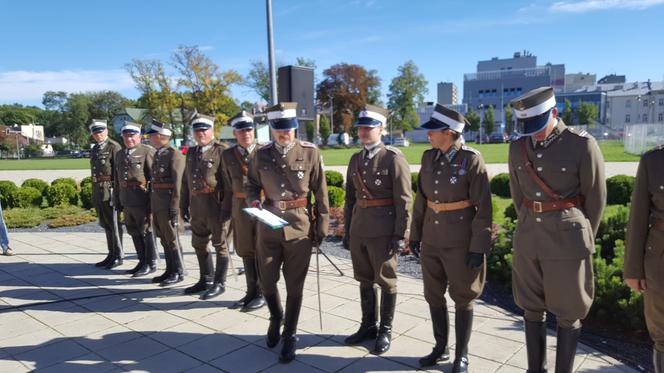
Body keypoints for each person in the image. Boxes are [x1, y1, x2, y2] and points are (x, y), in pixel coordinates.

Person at [508, 86, 606, 373]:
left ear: (554, 112)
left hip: (567, 242)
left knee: (568, 312)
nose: (533, 132)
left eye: (537, 124)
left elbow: (596, 199)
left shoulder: (581, 145)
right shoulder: (518, 146)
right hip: (529, 238)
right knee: (530, 307)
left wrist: (580, 236)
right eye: (526, 126)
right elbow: (518, 196)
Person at [409, 104, 492, 372]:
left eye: (433, 131)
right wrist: (415, 234)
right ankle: (440, 347)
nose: (428, 136)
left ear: (449, 132)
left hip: (460, 240)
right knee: (433, 294)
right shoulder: (428, 157)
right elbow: (421, 199)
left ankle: (462, 355)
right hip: (432, 238)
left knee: (463, 297)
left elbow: (484, 208)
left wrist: (478, 246)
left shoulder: (471, 159)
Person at [246, 102, 329, 363]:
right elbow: (251, 184)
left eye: (289, 129)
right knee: (267, 280)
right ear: (272, 128)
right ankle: (275, 317)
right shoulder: (260, 154)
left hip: (299, 227)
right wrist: (253, 201)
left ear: (295, 127)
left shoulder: (310, 153)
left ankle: (290, 334)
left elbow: (321, 192)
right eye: (280, 129)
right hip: (268, 225)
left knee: (295, 285)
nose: (285, 134)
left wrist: (322, 226)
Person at [343, 104, 412, 355]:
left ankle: (385, 329)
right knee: (364, 279)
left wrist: (400, 234)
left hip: (383, 231)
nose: (363, 132)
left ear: (381, 129)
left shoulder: (393, 158)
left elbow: (404, 200)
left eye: (369, 127)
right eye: (361, 127)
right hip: (360, 228)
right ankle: (367, 325)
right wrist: (348, 230)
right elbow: (350, 199)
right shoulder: (355, 159)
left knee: (386, 281)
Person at [180, 113, 232, 298]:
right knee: (198, 243)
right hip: (197, 205)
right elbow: (186, 181)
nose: (201, 133)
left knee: (220, 244)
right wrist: (183, 204)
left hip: (215, 205)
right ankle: (206, 279)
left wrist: (226, 208)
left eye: (204, 129)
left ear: (212, 130)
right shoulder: (192, 152)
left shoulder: (222, 151)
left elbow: (229, 183)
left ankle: (220, 283)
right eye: (197, 130)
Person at [624, 144, 664, 372]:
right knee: (662, 335)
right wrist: (632, 270)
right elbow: (638, 218)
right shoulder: (654, 160)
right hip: (660, 260)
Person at [220, 111, 265, 311]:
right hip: (240, 206)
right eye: (241, 130)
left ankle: (264, 293)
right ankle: (251, 291)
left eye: (249, 129)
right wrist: (226, 211)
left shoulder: (265, 152)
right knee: (246, 249)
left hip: (263, 206)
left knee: (263, 249)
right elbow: (227, 185)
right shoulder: (228, 155)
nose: (246, 133)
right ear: (235, 133)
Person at [114, 121, 158, 277]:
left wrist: (152, 201)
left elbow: (154, 178)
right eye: (126, 136)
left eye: (132, 135)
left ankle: (150, 262)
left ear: (139, 136)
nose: (129, 139)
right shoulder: (120, 154)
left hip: (142, 199)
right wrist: (117, 198)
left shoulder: (147, 151)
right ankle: (141, 261)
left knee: (146, 231)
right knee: (133, 231)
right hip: (126, 199)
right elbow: (117, 179)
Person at [147, 120, 186, 285]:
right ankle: (169, 270)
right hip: (158, 203)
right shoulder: (158, 153)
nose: (148, 138)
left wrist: (175, 207)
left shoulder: (174, 154)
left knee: (172, 238)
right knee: (163, 238)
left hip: (168, 203)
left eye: (151, 135)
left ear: (160, 136)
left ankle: (179, 271)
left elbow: (178, 184)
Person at [89, 119, 124, 269]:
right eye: (95, 133)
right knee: (106, 224)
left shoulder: (113, 147)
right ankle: (111, 254)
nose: (98, 135)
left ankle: (118, 255)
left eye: (101, 132)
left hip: (110, 190)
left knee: (114, 224)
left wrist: (118, 193)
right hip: (99, 190)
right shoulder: (95, 149)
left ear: (107, 131)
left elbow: (118, 172)